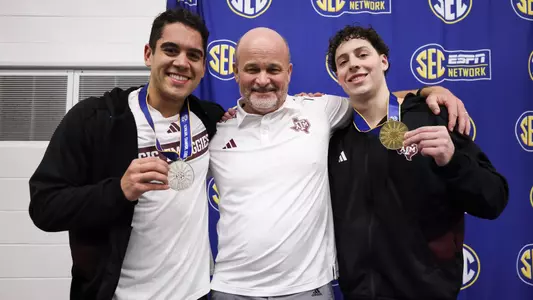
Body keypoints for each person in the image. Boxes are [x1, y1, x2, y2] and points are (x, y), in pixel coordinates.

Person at [208, 27, 471, 300]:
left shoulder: (320, 110)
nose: (263, 80)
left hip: (308, 289)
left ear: (288, 72)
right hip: (232, 289)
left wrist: (429, 90)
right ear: (236, 71)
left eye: (273, 69)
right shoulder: (214, 131)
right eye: (252, 69)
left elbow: (374, 98)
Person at [28, 8, 224, 300]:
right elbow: (44, 207)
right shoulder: (95, 119)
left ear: (203, 67)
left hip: (194, 293)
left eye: (193, 55)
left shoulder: (209, 118)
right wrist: (119, 190)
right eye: (170, 50)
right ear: (148, 54)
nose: (182, 63)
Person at [326, 25, 509, 300]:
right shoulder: (332, 134)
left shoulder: (434, 116)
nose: (353, 64)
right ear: (339, 78)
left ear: (383, 61)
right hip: (359, 293)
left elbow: (493, 199)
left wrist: (452, 160)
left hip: (426, 292)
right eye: (343, 62)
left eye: (362, 54)